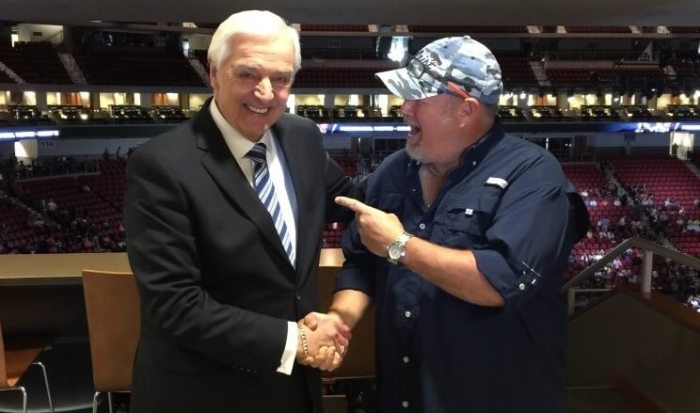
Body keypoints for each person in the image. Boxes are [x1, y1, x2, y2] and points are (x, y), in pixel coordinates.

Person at [322, 36, 589, 412]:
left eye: (418, 99)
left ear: (465, 110)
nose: (404, 108)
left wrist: (401, 245)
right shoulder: (394, 171)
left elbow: (501, 281)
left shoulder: (532, 173)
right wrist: (339, 318)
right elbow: (362, 262)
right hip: (403, 393)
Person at [125, 10, 363, 413]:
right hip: (204, 393)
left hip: (294, 389)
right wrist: (298, 342)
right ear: (214, 72)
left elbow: (350, 201)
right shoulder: (160, 165)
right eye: (248, 74)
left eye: (282, 78)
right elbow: (174, 304)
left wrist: (425, 161)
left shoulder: (302, 137)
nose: (266, 93)